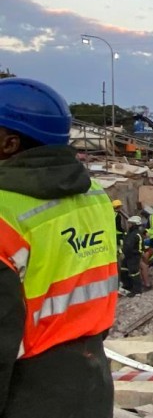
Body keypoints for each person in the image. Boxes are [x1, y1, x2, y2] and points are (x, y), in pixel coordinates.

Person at [0, 78, 118, 418]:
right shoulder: (93, 194)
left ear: (9, 144)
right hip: (91, 376)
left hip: (27, 390)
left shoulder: (5, 215)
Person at [120, 215, 147, 295]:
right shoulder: (130, 233)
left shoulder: (137, 234)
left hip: (134, 256)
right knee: (124, 270)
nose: (128, 225)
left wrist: (134, 253)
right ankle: (127, 286)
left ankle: (137, 290)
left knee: (134, 272)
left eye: (130, 223)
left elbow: (138, 248)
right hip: (127, 256)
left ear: (134, 224)